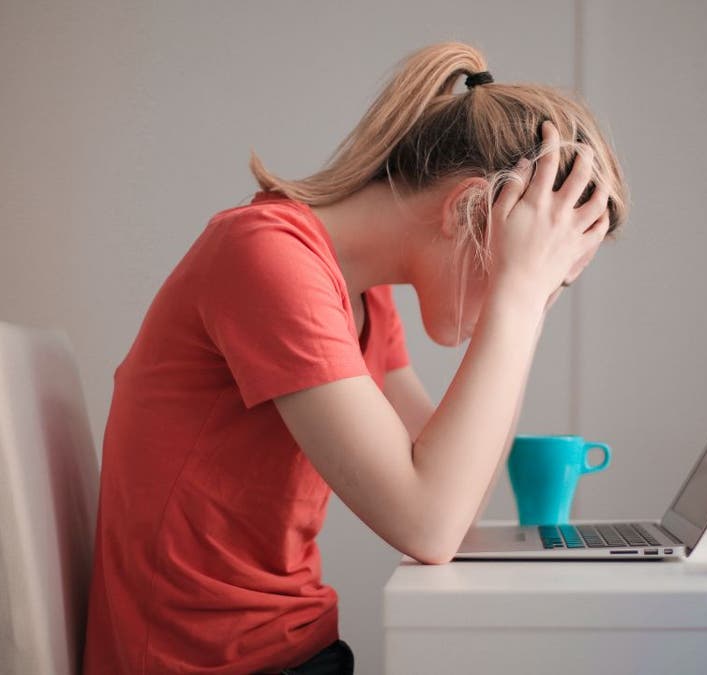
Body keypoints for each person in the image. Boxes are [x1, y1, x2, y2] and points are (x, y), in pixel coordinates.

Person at [82, 40, 628, 675]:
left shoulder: (361, 298)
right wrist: (519, 296)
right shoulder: (266, 258)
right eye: (539, 267)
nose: (536, 291)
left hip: (295, 651)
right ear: (467, 211)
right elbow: (429, 524)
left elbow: (460, 494)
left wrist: (526, 304)